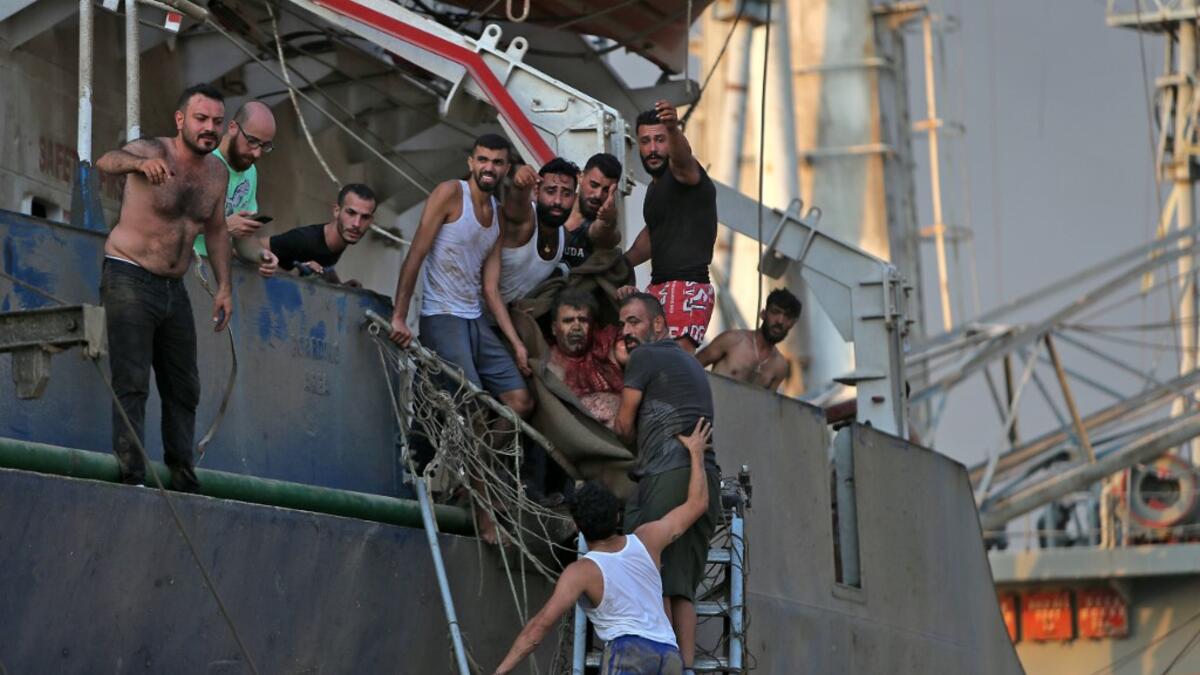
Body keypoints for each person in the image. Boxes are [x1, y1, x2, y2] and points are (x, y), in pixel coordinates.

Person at [388, 133, 535, 543]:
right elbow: (416, 253)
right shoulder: (450, 194)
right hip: (441, 315)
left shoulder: (498, 215)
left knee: (519, 402)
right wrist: (400, 316)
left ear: (506, 168)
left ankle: (477, 469)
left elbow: (490, 289)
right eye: (483, 160)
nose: (490, 168)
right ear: (471, 162)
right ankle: (485, 516)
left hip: (474, 319)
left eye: (498, 162)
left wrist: (517, 344)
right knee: (469, 401)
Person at [95, 83, 235, 492]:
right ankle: (131, 475)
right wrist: (137, 166)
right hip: (128, 273)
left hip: (174, 288)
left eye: (216, 121)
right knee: (132, 380)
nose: (209, 127)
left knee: (184, 385)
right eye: (201, 119)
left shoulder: (217, 174)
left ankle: (181, 474)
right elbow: (106, 160)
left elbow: (217, 230)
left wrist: (225, 286)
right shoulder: (153, 150)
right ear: (181, 120)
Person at [492, 418, 713, 675]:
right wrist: (696, 453)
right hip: (669, 655)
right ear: (617, 517)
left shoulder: (582, 572)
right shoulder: (648, 538)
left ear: (576, 525)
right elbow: (698, 503)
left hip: (629, 654)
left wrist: (500, 672)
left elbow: (538, 628)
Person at [613, 293, 722, 671]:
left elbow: (624, 424)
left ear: (659, 324)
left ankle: (661, 665)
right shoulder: (689, 363)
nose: (626, 331)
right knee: (681, 588)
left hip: (667, 475)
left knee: (649, 572)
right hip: (703, 477)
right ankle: (685, 667)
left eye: (634, 322)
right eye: (622, 324)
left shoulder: (644, 356)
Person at [623, 101, 718, 353]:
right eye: (645, 141)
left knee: (673, 365)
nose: (652, 149)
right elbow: (655, 233)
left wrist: (673, 129)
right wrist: (623, 262)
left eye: (659, 139)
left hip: (688, 286)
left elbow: (683, 157)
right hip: (658, 287)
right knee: (639, 356)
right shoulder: (655, 188)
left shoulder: (683, 172)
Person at [194, 100, 278, 277]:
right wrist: (222, 226)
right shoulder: (200, 160)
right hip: (182, 267)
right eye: (252, 141)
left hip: (216, 273)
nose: (257, 153)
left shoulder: (250, 172)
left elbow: (241, 238)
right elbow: (170, 223)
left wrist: (261, 255)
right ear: (232, 127)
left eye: (265, 146)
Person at [494, 158, 578, 304]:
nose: (557, 201)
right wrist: (518, 186)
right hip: (476, 314)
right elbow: (513, 210)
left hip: (514, 318)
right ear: (536, 191)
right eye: (550, 191)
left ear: (574, 198)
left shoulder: (564, 236)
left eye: (566, 194)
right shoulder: (525, 221)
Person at [266, 183, 377, 286]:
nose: (357, 224)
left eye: (365, 217)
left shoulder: (342, 238)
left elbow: (323, 264)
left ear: (371, 221)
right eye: (351, 213)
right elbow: (255, 247)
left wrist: (340, 286)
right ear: (337, 211)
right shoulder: (304, 239)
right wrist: (295, 272)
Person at [546, 289, 627, 427]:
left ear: (593, 326)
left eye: (583, 320)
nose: (576, 327)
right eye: (568, 321)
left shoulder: (609, 343)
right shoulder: (550, 366)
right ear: (554, 328)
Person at [697, 288, 802, 391]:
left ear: (793, 323)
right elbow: (689, 367)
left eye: (788, 316)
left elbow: (767, 406)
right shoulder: (732, 340)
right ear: (763, 314)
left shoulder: (779, 366)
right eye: (775, 312)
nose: (780, 321)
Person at [562, 152, 623, 269]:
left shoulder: (602, 224)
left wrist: (607, 221)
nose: (598, 195)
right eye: (594, 185)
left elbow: (603, 233)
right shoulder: (556, 207)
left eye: (606, 190)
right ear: (580, 177)